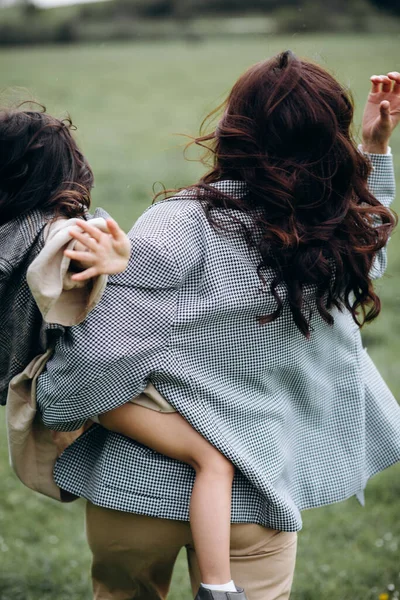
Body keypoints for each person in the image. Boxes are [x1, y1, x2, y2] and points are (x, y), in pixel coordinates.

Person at [36, 51, 400, 600]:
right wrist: (375, 151)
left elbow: (105, 337)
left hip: (135, 487)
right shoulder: (334, 240)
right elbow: (369, 246)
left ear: (234, 131)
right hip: (256, 497)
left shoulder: (178, 221)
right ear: (332, 141)